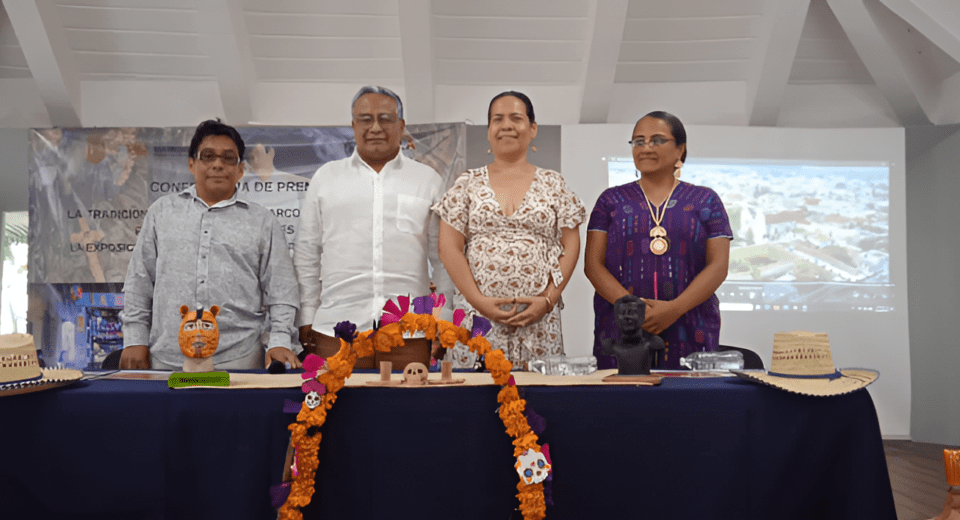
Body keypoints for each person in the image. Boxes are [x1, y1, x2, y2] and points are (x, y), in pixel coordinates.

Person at [121, 120, 302, 370]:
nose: (217, 164)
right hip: (167, 358)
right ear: (191, 164)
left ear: (240, 170)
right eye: (208, 156)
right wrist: (134, 339)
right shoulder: (162, 213)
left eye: (228, 158)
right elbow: (139, 282)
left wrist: (280, 341)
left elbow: (282, 290)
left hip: (239, 358)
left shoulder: (263, 221)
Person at [294, 86, 448, 358]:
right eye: (365, 119)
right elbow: (307, 252)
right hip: (336, 330)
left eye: (385, 118)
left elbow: (444, 257)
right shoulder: (326, 178)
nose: (375, 127)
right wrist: (307, 312)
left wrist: (443, 314)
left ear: (401, 126)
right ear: (353, 126)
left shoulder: (428, 180)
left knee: (408, 402)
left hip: (410, 332)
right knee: (336, 402)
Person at [433, 91, 585, 367]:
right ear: (489, 130)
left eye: (516, 118)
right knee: (476, 401)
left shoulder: (554, 184)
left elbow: (571, 246)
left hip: (540, 320)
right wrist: (479, 301)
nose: (506, 125)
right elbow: (448, 247)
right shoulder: (466, 183)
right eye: (497, 119)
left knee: (536, 401)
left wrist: (549, 299)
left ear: (532, 128)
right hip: (477, 317)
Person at [584, 111, 732, 370]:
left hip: (689, 323)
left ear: (680, 150)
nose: (646, 147)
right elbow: (593, 266)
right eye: (638, 141)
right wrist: (632, 311)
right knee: (620, 404)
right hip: (621, 325)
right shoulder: (610, 201)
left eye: (657, 140)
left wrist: (674, 309)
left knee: (687, 405)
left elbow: (718, 266)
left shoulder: (705, 200)